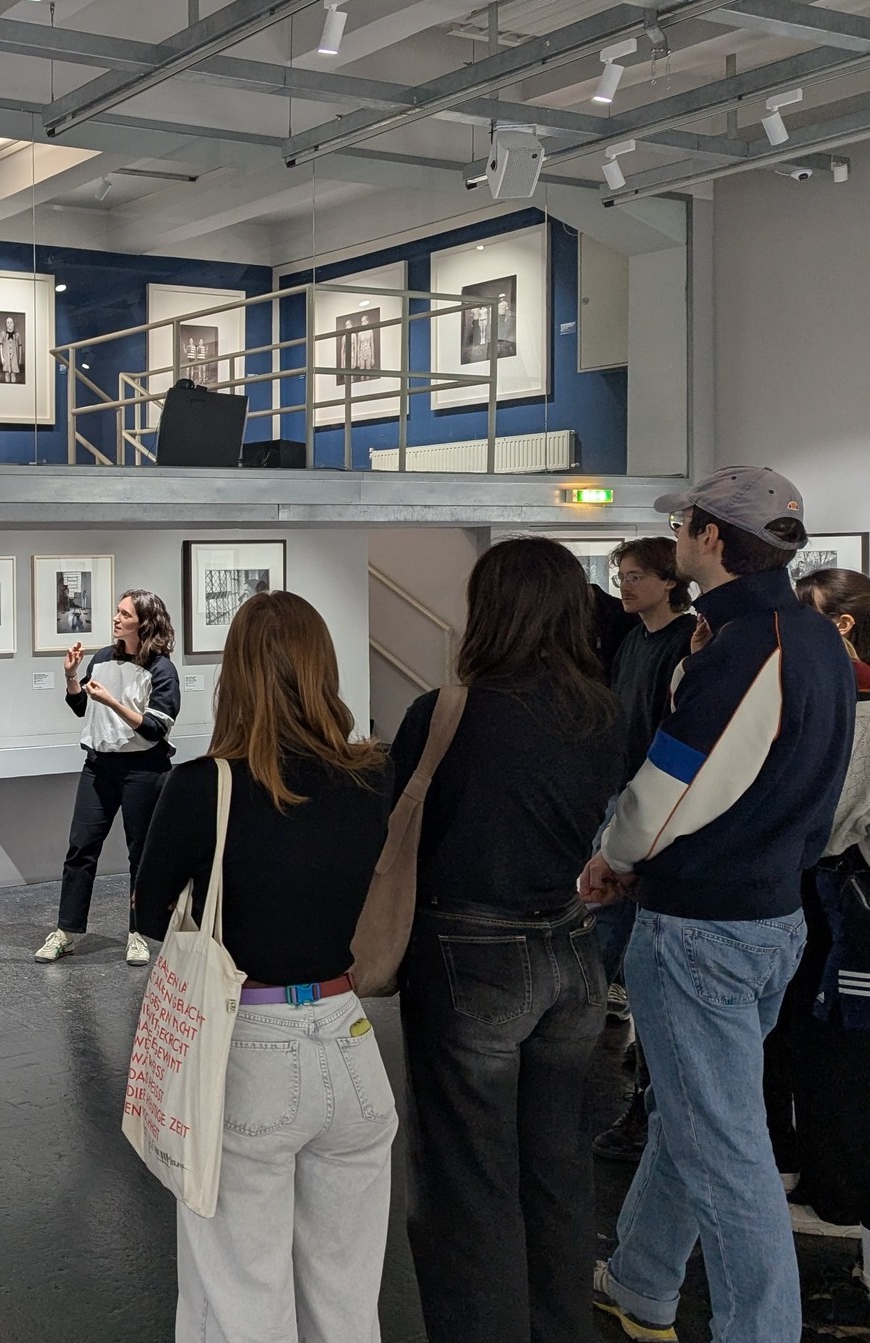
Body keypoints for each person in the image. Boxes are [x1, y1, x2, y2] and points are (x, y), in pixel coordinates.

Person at [580, 466, 855, 1343]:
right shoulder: (813, 638)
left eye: (682, 525)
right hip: (773, 920)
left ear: (708, 536)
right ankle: (639, 1281)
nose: (673, 539)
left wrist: (612, 857)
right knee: (696, 1117)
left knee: (726, 1150)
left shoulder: (742, 648)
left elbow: (666, 786)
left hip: (700, 930)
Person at [130, 591, 396, 1340]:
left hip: (246, 1047)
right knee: (347, 1300)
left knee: (240, 1298)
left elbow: (148, 917)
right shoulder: (372, 776)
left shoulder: (200, 786)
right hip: (350, 1041)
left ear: (234, 676)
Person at [394, 537, 626, 1343]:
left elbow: (408, 830)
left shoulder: (446, 712)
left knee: (467, 1176)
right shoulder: (602, 712)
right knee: (557, 1165)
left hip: (469, 955)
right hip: (569, 949)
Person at [595, 536, 699, 1161]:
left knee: (638, 953)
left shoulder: (686, 643)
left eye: (637, 576)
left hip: (654, 811)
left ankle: (646, 1105)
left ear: (669, 581)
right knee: (607, 937)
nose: (626, 586)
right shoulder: (634, 641)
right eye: (622, 576)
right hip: (622, 800)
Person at [776, 567, 870, 1235]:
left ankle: (836, 1196)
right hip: (836, 897)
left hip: (846, 901)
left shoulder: (856, 705)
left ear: (841, 624)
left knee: (835, 1042)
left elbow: (832, 818)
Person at [37, 589, 181, 967]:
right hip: (99, 766)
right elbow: (81, 705)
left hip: (144, 770)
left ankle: (139, 932)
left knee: (141, 855)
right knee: (80, 848)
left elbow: (155, 729)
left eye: (124, 614)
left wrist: (113, 703)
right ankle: (66, 931)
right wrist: (71, 676)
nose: (116, 619)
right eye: (117, 612)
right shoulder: (102, 658)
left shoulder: (162, 670)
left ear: (144, 623)